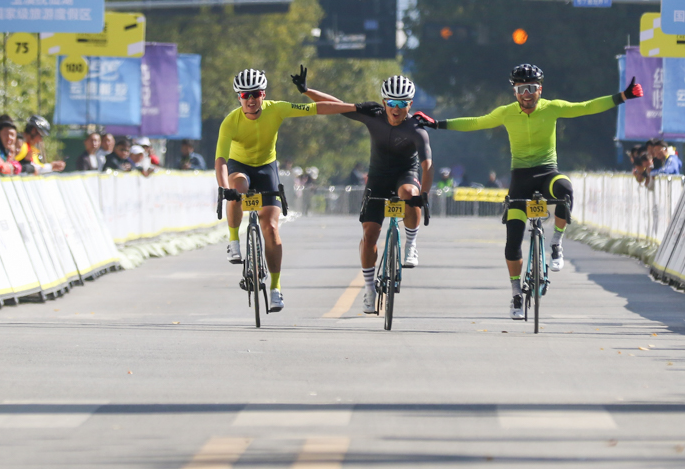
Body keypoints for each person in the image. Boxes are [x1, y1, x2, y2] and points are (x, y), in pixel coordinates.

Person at [415, 63, 643, 319]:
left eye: (532, 88)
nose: (527, 94)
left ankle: (556, 242)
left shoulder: (552, 107)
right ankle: (515, 291)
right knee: (513, 240)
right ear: (514, 91)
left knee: (565, 189)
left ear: (540, 90)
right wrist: (436, 124)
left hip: (547, 173)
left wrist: (623, 96)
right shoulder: (506, 113)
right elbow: (476, 122)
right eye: (521, 88)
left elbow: (587, 107)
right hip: (520, 179)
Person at [216, 68, 381, 312]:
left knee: (270, 229)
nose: (250, 100)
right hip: (239, 166)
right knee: (237, 188)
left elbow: (318, 109)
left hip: (265, 168)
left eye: (256, 94)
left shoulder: (277, 109)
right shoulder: (231, 121)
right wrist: (223, 189)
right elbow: (220, 160)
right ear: (238, 97)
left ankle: (275, 288)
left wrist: (354, 107)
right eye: (245, 95)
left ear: (264, 94)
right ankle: (233, 240)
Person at [293, 67, 432, 314]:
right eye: (391, 102)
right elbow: (336, 106)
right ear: (383, 102)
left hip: (405, 175)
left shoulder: (416, 130)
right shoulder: (372, 113)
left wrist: (425, 197)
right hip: (378, 178)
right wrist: (307, 91)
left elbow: (427, 166)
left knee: (410, 194)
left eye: (402, 103)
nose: (396, 108)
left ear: (410, 104)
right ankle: (369, 290)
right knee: (369, 235)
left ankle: (411, 244)